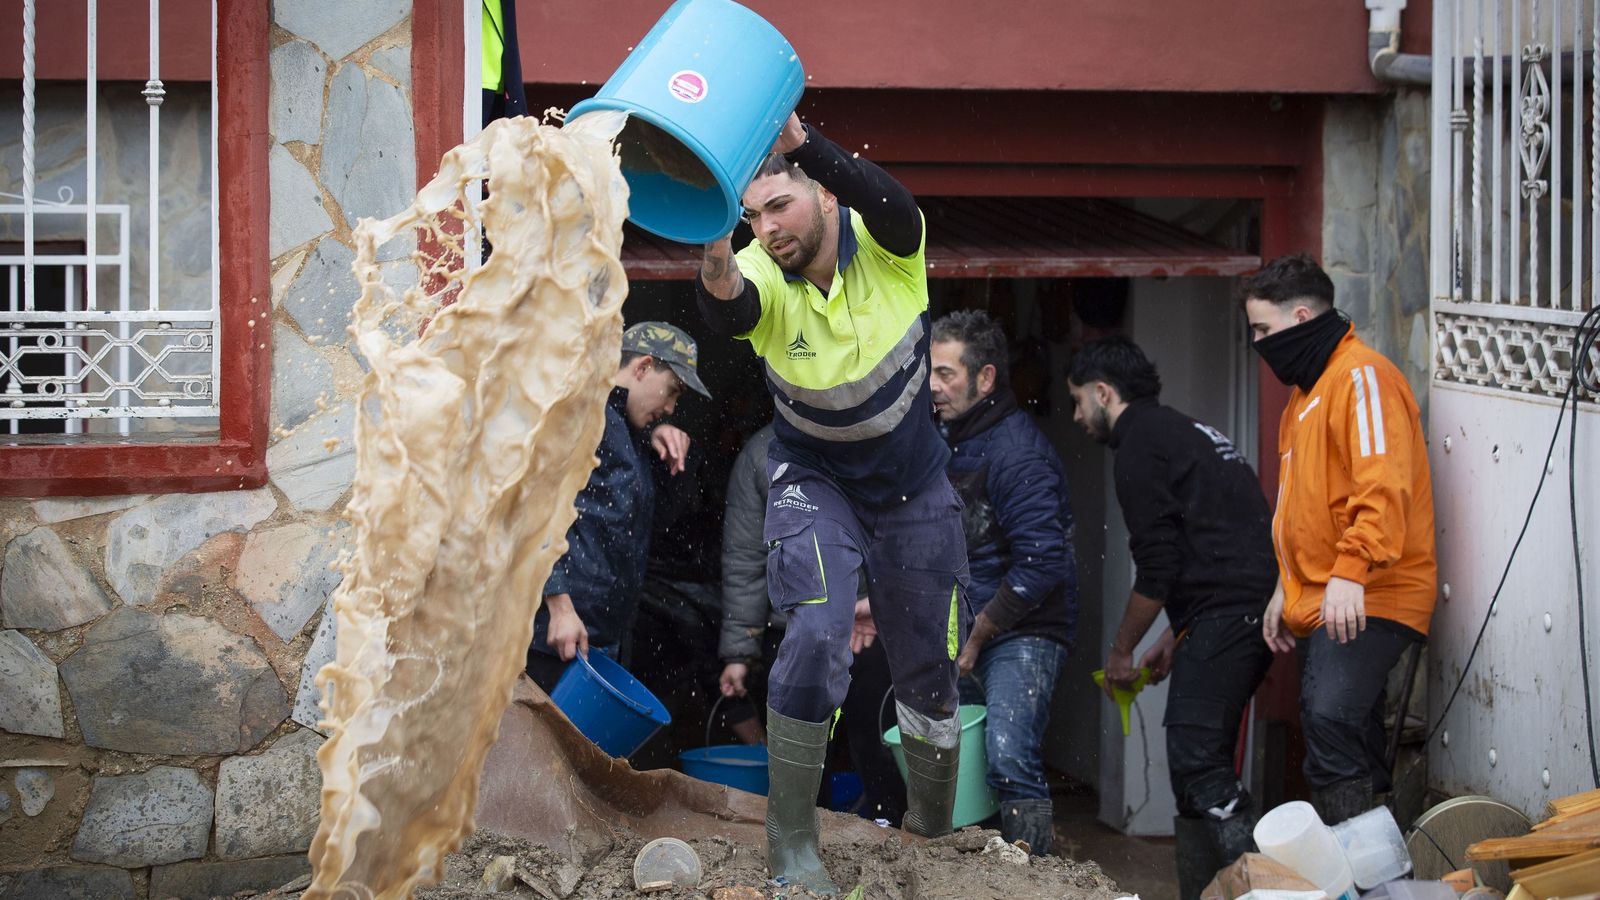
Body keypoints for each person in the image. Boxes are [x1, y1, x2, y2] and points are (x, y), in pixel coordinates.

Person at [697, 113, 969, 892]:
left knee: (927, 670)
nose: (767, 227)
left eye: (777, 205)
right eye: (752, 215)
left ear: (819, 194)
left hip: (915, 489)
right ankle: (791, 845)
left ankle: (932, 833)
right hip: (817, 481)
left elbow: (889, 201)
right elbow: (728, 306)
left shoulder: (889, 249)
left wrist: (799, 139)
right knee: (815, 636)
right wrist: (716, 241)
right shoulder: (760, 265)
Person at [1066, 336, 1278, 900]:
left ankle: (1265, 889)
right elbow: (1207, 551)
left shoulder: (1139, 445)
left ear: (1104, 393)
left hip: (1234, 616)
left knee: (1198, 757)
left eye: (1078, 401)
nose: (1076, 417)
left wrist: (1121, 651)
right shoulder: (1186, 430)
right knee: (1193, 767)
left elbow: (1158, 566)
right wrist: (1173, 637)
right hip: (1238, 612)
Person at [1242, 254, 1437, 826]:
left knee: (1328, 719)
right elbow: (1303, 511)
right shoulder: (1305, 397)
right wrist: (1287, 585)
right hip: (1331, 594)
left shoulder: (1362, 377)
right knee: (1346, 728)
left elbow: (1383, 486)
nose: (1257, 344)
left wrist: (1351, 570)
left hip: (1373, 591)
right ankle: (1382, 873)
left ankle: (1363, 867)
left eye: (1263, 330)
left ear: (1302, 316)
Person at [929, 309, 1077, 855]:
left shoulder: (1019, 453)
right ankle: (977, 879)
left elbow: (1042, 563)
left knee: (1009, 755)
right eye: (930, 372)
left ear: (984, 378)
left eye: (946, 374)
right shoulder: (952, 438)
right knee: (959, 762)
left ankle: (1029, 881)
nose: (933, 386)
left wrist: (980, 633)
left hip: (1023, 630)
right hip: (966, 630)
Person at [719, 423, 908, 826]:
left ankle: (888, 829)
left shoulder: (873, 437)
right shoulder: (760, 455)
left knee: (872, 731)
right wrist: (739, 651)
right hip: (789, 624)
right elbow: (744, 559)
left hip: (863, 620)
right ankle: (803, 834)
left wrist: (886, 600)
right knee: (803, 736)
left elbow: (900, 534)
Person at [526, 322, 709, 693]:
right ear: (642, 367)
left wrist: (667, 460)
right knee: (537, 749)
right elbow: (531, 505)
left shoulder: (628, 432)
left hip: (597, 641)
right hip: (551, 637)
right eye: (672, 391)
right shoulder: (581, 412)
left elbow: (655, 525)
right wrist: (558, 604)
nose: (671, 408)